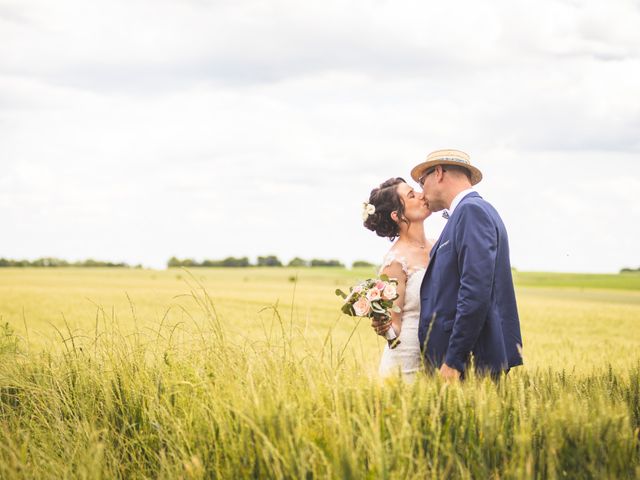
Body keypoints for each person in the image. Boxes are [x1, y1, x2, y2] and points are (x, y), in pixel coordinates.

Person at [411, 149, 523, 380]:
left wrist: (454, 359)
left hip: (469, 363)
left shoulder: (471, 212)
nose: (421, 191)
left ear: (439, 173)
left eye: (422, 182)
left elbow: (475, 291)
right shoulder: (468, 212)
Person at [363, 177, 433, 381]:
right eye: (412, 194)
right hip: (407, 362)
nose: (422, 195)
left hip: (437, 357)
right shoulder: (395, 262)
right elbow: (393, 329)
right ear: (397, 215)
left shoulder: (438, 245)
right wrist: (381, 323)